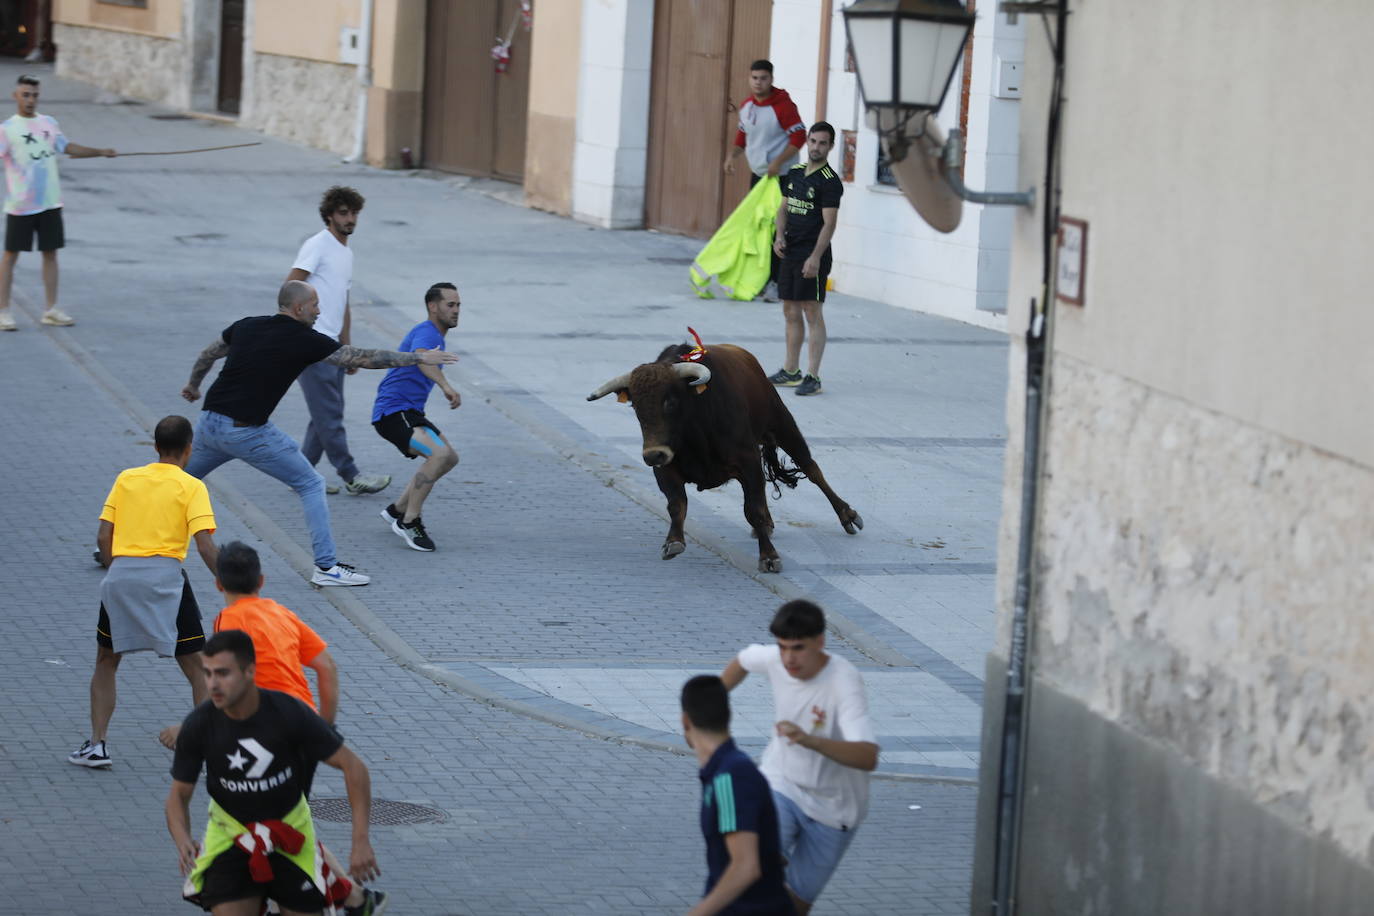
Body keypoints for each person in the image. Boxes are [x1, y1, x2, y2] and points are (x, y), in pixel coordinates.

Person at [179, 279, 458, 587]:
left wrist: (194, 385)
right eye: (315, 305)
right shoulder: (304, 338)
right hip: (247, 433)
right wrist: (417, 357)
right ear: (299, 309)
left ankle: (132, 532)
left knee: (178, 483)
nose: (319, 310)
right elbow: (362, 358)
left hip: (209, 424)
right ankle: (326, 567)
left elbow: (209, 353)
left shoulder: (247, 325)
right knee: (311, 484)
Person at [161, 542, 388, 916]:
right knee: (283, 820)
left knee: (276, 819)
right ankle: (350, 897)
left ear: (218, 584)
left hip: (273, 730)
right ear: (262, 580)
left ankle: (345, 896)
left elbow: (224, 690)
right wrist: (325, 728)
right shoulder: (282, 613)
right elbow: (327, 667)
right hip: (300, 727)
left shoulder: (228, 623)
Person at [68, 416, 218, 769]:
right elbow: (206, 545)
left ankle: (97, 745)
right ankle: (203, 744)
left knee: (106, 660)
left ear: (155, 447)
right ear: (189, 449)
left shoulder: (127, 478)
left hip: (121, 577)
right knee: (197, 666)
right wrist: (229, 583)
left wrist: (115, 569)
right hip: (166, 581)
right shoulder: (192, 486)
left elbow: (104, 536)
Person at [721, 600, 879, 914]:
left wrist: (811, 741)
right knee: (752, 862)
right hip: (783, 785)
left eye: (797, 648)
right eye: (782, 648)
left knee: (794, 906)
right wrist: (711, 703)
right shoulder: (776, 659)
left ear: (820, 643)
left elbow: (867, 756)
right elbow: (742, 660)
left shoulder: (843, 682)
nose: (788, 659)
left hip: (835, 810)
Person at [285, 186, 389, 496]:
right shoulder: (317, 245)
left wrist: (348, 346)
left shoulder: (346, 252)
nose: (350, 219)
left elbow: (342, 300)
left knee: (325, 414)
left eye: (354, 213)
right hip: (311, 345)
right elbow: (291, 285)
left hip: (334, 346)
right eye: (344, 213)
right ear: (329, 215)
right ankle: (351, 474)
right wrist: (294, 329)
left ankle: (299, 475)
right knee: (329, 413)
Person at [0, 73, 115, 331]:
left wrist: (100, 152)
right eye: (25, 95)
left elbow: (66, 147)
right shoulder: (7, 130)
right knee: (10, 256)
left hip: (50, 202)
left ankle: (51, 310)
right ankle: (3, 311)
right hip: (21, 204)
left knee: (50, 253)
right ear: (15, 96)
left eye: (34, 95)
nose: (30, 100)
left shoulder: (48, 123)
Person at [681, 674, 794, 916]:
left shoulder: (730, 776)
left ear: (685, 721)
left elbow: (745, 866)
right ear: (728, 716)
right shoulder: (725, 770)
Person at [371, 282, 462, 552]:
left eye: (458, 305)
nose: (456, 311)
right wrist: (446, 387)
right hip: (392, 413)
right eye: (450, 305)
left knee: (449, 458)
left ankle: (396, 510)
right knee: (438, 455)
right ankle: (410, 521)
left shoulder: (436, 335)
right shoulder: (426, 332)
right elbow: (423, 359)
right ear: (432, 307)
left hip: (409, 413)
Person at [768, 123, 843, 398]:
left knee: (812, 311)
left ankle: (813, 375)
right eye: (812, 141)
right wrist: (779, 237)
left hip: (813, 254)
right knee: (789, 310)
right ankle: (791, 370)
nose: (816, 147)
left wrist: (815, 257)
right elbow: (782, 209)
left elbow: (830, 224)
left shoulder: (830, 181)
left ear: (831, 147)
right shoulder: (795, 173)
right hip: (790, 251)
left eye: (822, 143)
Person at [723, 60, 805, 302]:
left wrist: (779, 161)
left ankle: (778, 283)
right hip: (759, 176)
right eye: (754, 78)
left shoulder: (783, 106)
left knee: (779, 229)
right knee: (758, 228)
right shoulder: (747, 106)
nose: (759, 83)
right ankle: (758, 279)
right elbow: (743, 134)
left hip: (783, 176)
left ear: (771, 79)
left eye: (763, 78)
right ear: (749, 79)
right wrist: (733, 155)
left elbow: (799, 137)